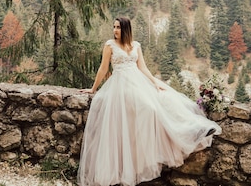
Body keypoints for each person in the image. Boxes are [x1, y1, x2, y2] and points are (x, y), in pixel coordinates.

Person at [78, 17, 221, 186]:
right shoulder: (110, 45)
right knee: (148, 109)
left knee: (164, 102)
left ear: (126, 29)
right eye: (114, 27)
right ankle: (137, 163)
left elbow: (143, 67)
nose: (115, 30)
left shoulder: (136, 45)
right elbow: (103, 68)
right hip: (120, 84)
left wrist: (154, 83)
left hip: (138, 81)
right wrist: (93, 89)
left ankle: (194, 130)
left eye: (118, 27)